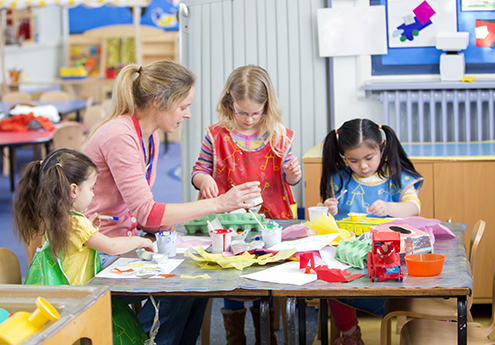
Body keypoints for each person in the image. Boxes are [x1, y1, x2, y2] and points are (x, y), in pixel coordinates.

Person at [83, 60, 261, 345]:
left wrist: (191, 228)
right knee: (183, 282)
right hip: (95, 251)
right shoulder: (120, 135)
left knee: (199, 279)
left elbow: (140, 211)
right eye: (183, 106)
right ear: (158, 102)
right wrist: (220, 204)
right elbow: (147, 212)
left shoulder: (147, 136)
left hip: (123, 240)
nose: (188, 114)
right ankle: (142, 340)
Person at [191, 65, 302, 344]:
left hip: (272, 219)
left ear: (267, 105)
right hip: (230, 223)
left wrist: (294, 174)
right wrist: (203, 180)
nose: (249, 118)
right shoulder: (216, 135)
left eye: (256, 112)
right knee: (232, 275)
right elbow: (199, 169)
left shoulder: (279, 135)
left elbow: (289, 178)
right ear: (230, 103)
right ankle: (235, 337)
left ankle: (268, 335)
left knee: (267, 275)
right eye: (242, 112)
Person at [13, 148, 154, 343]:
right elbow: (111, 246)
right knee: (120, 319)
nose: (93, 194)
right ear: (73, 190)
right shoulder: (75, 223)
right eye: (91, 188)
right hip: (76, 304)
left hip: (57, 299)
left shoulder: (52, 217)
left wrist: (90, 230)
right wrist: (143, 241)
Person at [320, 118, 423, 345]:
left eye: (369, 158)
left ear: (382, 147)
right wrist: (328, 209)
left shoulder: (396, 176)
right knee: (333, 280)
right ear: (343, 156)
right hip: (350, 255)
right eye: (353, 160)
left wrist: (389, 208)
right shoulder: (340, 179)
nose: (363, 167)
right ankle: (349, 334)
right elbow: (328, 221)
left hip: (390, 254)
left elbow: (414, 207)